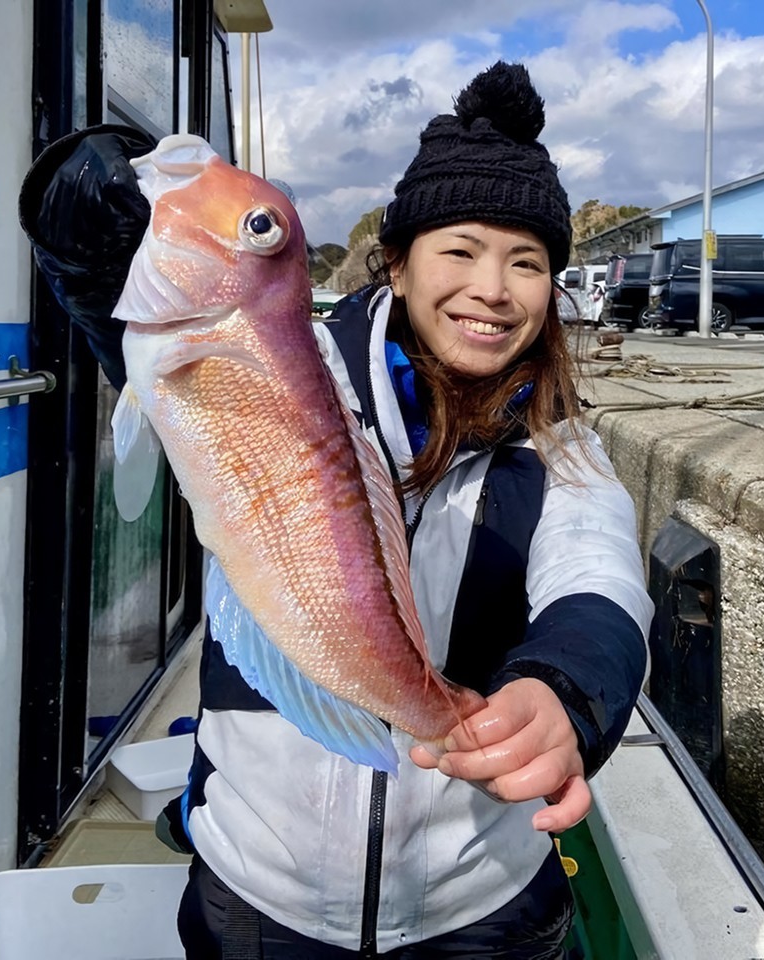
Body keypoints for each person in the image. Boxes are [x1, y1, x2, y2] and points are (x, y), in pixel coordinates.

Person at [160, 61, 655, 959]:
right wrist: (87, 207)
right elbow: (132, 330)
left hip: (480, 901)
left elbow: (600, 581)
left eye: (527, 262)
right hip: (257, 888)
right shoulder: (282, 369)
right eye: (460, 250)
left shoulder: (563, 448)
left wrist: (563, 693)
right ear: (397, 260)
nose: (493, 288)